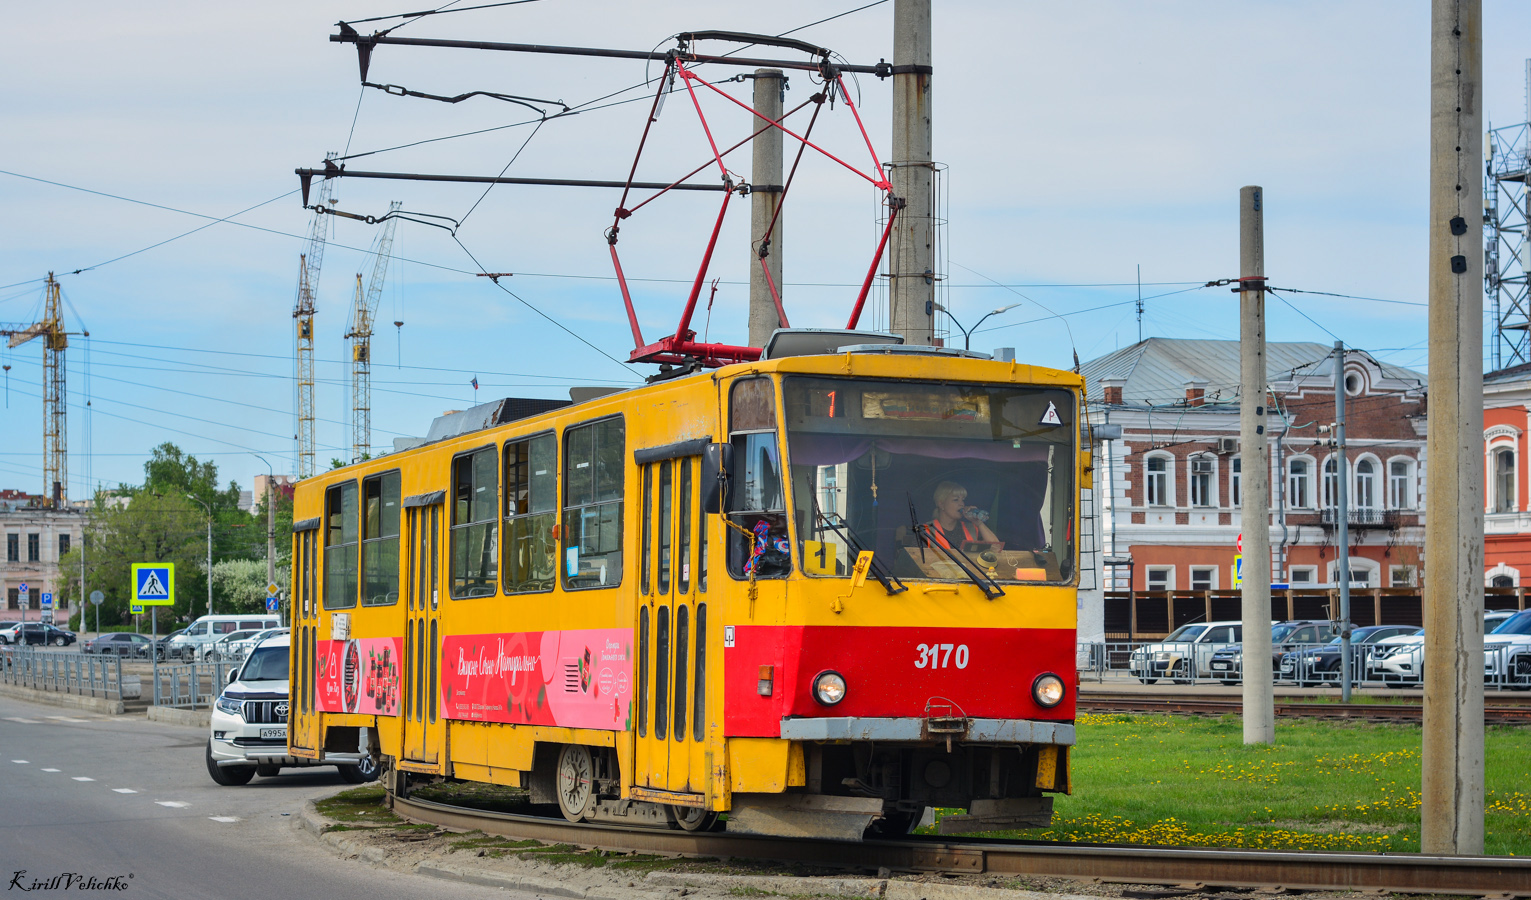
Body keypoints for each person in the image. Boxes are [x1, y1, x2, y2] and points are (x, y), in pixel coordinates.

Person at [928, 481, 999, 549]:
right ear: (941, 504)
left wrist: (979, 523)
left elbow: (996, 548)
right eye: (956, 500)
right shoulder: (925, 530)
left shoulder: (972, 528)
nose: (962, 504)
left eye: (963, 500)